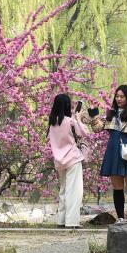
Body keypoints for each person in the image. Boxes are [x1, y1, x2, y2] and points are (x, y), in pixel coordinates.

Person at [90, 85, 127, 224]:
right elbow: (97, 128)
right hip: (113, 151)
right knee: (117, 186)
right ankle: (120, 218)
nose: (119, 99)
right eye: (117, 96)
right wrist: (94, 113)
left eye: (122, 96)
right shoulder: (111, 113)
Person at [47, 93, 88, 229]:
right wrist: (78, 118)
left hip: (59, 161)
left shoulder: (52, 122)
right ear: (67, 106)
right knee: (74, 191)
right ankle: (72, 222)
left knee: (63, 190)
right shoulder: (69, 121)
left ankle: (62, 220)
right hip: (73, 159)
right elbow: (84, 133)